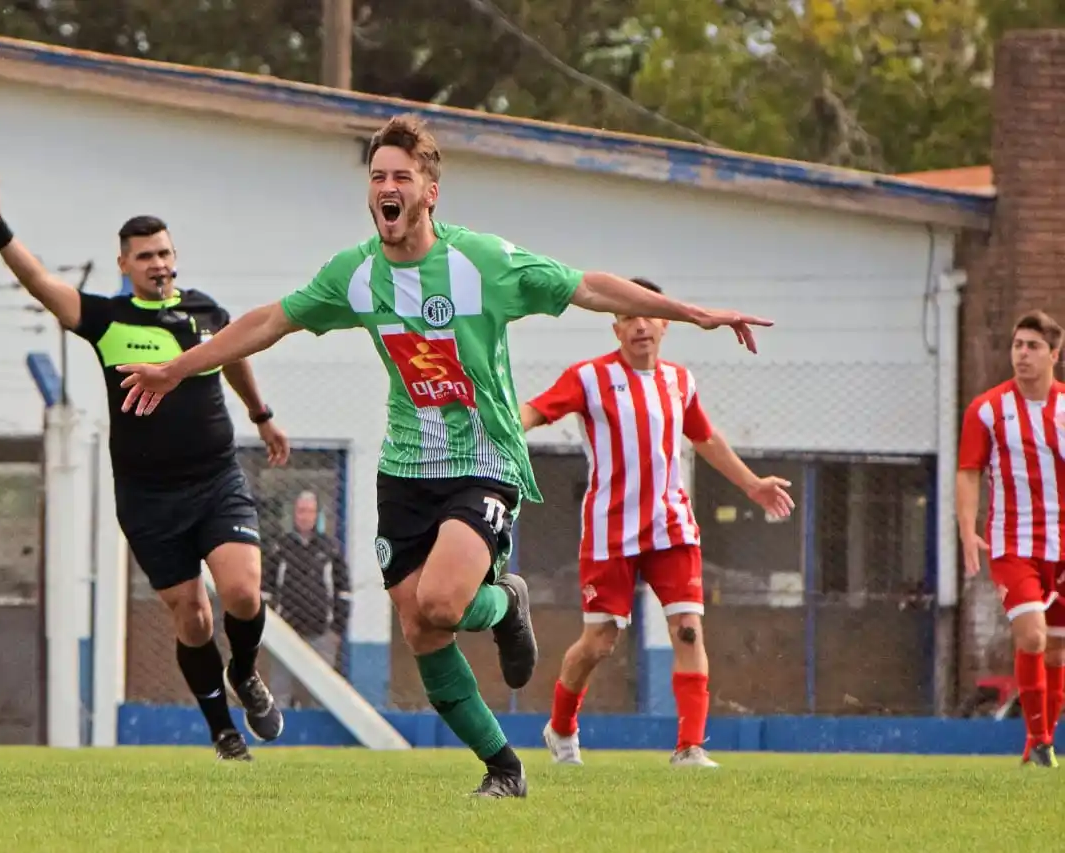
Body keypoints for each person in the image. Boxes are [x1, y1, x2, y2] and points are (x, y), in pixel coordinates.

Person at [111, 113, 774, 797]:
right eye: (377, 178)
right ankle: (503, 767)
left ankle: (504, 600)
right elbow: (270, 321)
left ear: (430, 191)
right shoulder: (355, 274)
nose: (386, 188)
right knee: (419, 627)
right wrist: (179, 368)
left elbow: (588, 286)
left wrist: (695, 313)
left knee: (445, 602)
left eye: (401, 176)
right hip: (405, 471)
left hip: (483, 459)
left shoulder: (481, 262)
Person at [0, 175, 290, 761]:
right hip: (148, 496)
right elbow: (39, 282)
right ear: (125, 264)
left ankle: (248, 674)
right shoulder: (105, 318)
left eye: (165, 253)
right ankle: (223, 732)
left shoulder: (208, 311)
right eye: (146, 256)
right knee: (193, 616)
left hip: (216, 480)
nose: (159, 264)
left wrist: (261, 414)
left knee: (243, 592)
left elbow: (234, 356)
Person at [520, 280, 793, 768]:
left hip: (672, 527)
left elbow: (705, 438)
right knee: (599, 642)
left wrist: (752, 485)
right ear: (616, 326)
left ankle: (689, 748)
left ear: (665, 323)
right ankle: (561, 728)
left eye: (648, 315)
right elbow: (536, 411)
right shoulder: (589, 378)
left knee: (688, 630)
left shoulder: (680, 382)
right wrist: (499, 431)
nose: (639, 324)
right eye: (628, 315)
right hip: (610, 530)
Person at [957, 309, 1065, 769]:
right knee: (1033, 637)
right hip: (1012, 545)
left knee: (1058, 648)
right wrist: (966, 529)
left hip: (1061, 547)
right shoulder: (987, 409)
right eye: (1018, 345)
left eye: (1033, 346)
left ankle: (1037, 747)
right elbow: (968, 472)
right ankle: (1039, 740)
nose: (1022, 354)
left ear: (1054, 355)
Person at [263, 490, 352, 707]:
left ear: (316, 515)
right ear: (295, 514)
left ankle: (319, 735)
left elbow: (344, 592)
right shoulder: (280, 548)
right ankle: (279, 733)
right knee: (280, 689)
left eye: (310, 511)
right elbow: (265, 591)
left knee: (322, 692)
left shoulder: (330, 548)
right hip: (286, 632)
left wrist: (336, 630)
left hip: (321, 632)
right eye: (301, 511)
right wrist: (271, 627)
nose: (305, 516)